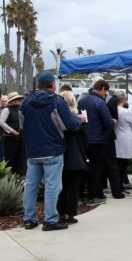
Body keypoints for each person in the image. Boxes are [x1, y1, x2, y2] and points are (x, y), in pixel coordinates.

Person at [20, 72, 83, 231]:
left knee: (31, 186)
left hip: (33, 150)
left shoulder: (26, 101)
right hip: (53, 149)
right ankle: (50, 219)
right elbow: (68, 124)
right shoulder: (56, 101)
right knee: (52, 186)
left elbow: (22, 125)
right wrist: (79, 120)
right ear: (53, 84)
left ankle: (29, 219)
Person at [77, 80, 120, 204]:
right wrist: (113, 122)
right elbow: (108, 122)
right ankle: (95, 195)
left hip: (84, 138)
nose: (105, 94)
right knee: (97, 168)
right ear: (102, 89)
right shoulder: (100, 102)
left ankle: (80, 195)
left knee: (85, 167)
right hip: (98, 139)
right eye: (105, 91)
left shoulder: (82, 100)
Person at [56, 90, 88, 225]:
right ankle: (71, 213)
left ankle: (60, 213)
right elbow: (85, 140)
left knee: (60, 187)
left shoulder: (56, 118)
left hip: (60, 155)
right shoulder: (77, 121)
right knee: (73, 188)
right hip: (75, 157)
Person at [113, 93, 132, 194]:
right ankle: (120, 186)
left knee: (117, 164)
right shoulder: (127, 112)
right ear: (123, 100)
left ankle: (119, 186)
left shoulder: (112, 110)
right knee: (123, 165)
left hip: (115, 138)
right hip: (125, 138)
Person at [0, 92, 26, 176]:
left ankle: (20, 176)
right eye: (16, 99)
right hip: (10, 138)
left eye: (18, 99)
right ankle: (10, 177)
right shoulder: (6, 110)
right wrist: (12, 131)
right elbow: (1, 122)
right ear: (12, 100)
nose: (18, 101)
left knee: (20, 159)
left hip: (20, 137)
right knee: (10, 159)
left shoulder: (20, 109)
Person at [0, 94, 8, 162]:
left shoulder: (10, 110)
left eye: (5, 101)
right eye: (2, 101)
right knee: (0, 154)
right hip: (1, 136)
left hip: (8, 137)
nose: (4, 102)